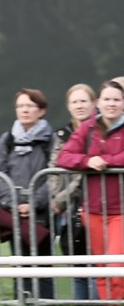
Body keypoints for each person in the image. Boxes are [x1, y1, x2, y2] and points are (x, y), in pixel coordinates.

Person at [57, 80, 124, 301]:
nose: (111, 104)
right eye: (107, 99)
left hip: (120, 211)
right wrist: (88, 161)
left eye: (116, 99)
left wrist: (105, 161)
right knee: (101, 270)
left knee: (116, 266)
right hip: (92, 210)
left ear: (123, 103)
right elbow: (63, 156)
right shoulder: (88, 128)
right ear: (99, 103)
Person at [0, 88, 55, 299]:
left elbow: (53, 177)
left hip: (43, 215)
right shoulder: (7, 140)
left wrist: (34, 203)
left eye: (29, 106)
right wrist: (13, 204)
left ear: (42, 110)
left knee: (43, 269)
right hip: (15, 216)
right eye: (20, 106)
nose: (24, 110)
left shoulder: (51, 140)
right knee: (20, 266)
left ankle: (46, 302)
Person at [49, 83, 98, 300]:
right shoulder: (62, 133)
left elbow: (83, 174)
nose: (79, 106)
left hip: (96, 206)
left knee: (98, 269)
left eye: (83, 101)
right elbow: (53, 168)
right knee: (77, 270)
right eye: (74, 102)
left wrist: (61, 198)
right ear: (68, 106)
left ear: (94, 104)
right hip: (68, 211)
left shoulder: (101, 131)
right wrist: (54, 197)